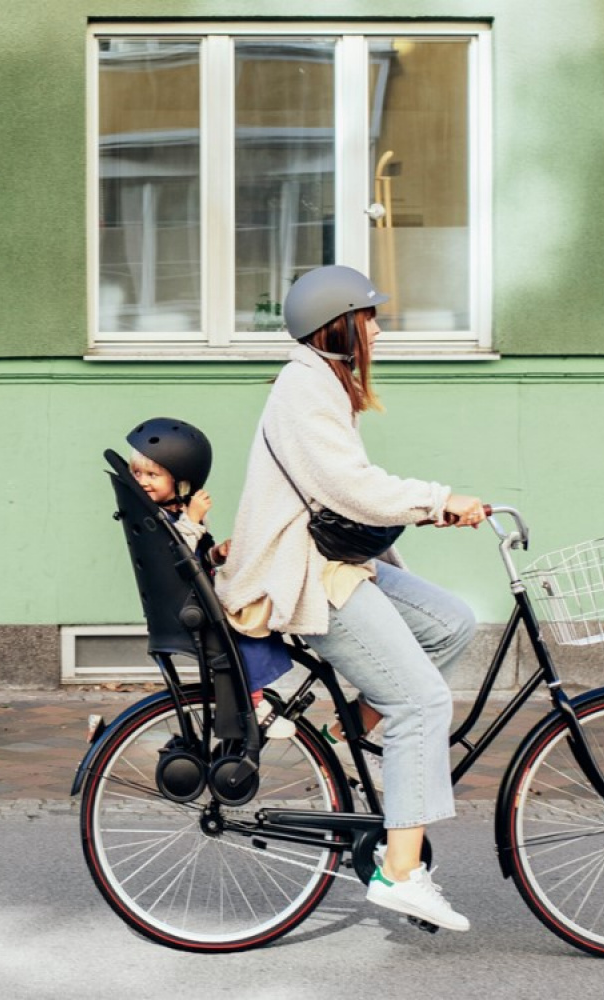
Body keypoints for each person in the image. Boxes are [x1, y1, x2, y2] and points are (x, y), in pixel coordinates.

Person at [215, 266, 486, 932]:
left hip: (334, 561)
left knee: (453, 620)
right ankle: (400, 874)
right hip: (305, 574)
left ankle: (356, 723)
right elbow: (350, 487)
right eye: (370, 317)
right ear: (339, 326)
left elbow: (343, 492)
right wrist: (436, 500)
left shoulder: (321, 384)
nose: (378, 329)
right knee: (421, 700)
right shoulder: (304, 387)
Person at [126, 418, 295, 739]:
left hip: (196, 597)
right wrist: (192, 520)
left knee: (254, 604)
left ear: (181, 481)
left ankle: (254, 693)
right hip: (193, 607)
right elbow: (173, 556)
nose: (143, 481)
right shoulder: (163, 518)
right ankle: (254, 702)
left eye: (152, 474)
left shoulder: (168, 514)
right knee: (247, 624)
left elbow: (194, 558)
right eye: (138, 473)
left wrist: (216, 554)